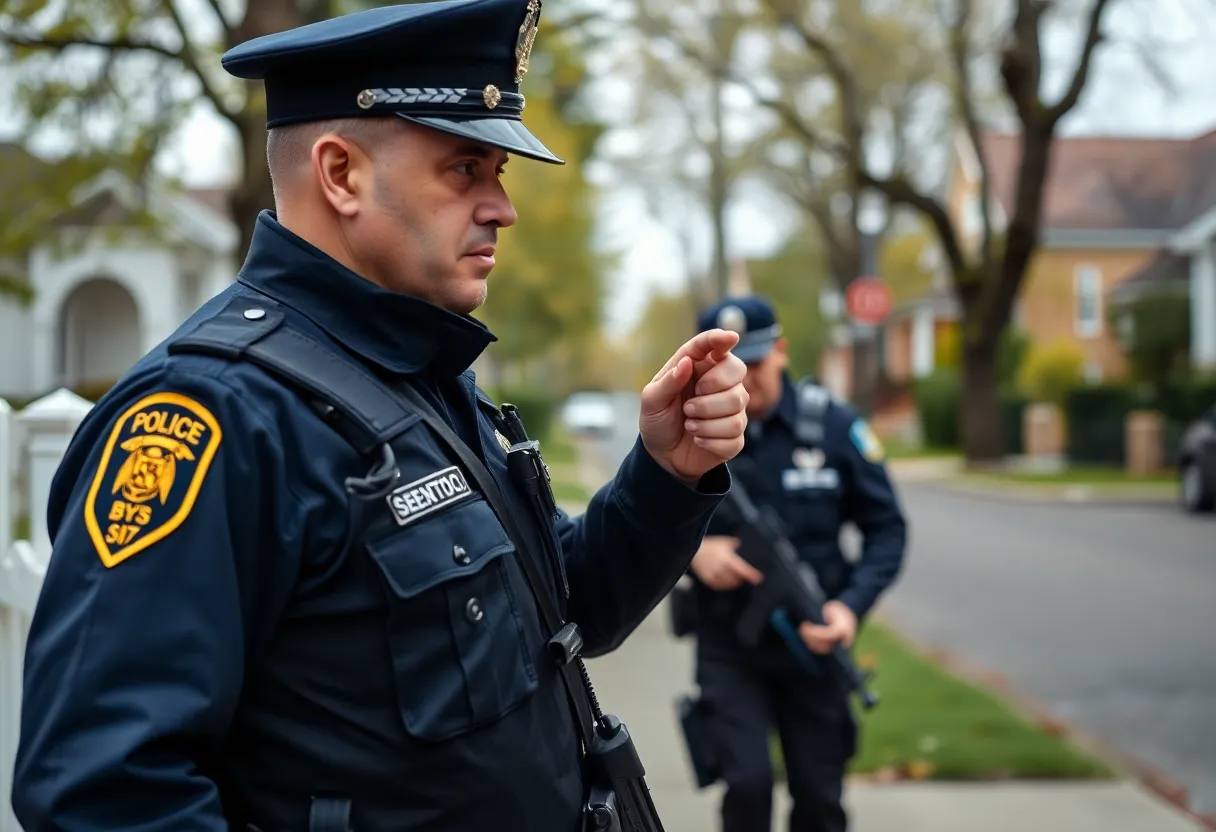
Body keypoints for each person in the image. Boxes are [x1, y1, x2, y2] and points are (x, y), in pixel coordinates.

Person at [9, 1, 753, 829]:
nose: (502, 207)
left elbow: (562, 607)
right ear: (340, 174)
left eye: (498, 174)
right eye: (466, 169)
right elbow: (103, 793)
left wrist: (665, 472)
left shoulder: (417, 377)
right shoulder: (215, 417)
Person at [685, 295, 908, 832]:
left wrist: (850, 609)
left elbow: (887, 530)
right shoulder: (688, 431)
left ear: (782, 351)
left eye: (755, 362)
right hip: (728, 645)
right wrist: (693, 551)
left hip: (815, 646)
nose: (743, 380)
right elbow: (637, 522)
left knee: (818, 801)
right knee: (747, 788)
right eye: (726, 368)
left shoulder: (832, 427)